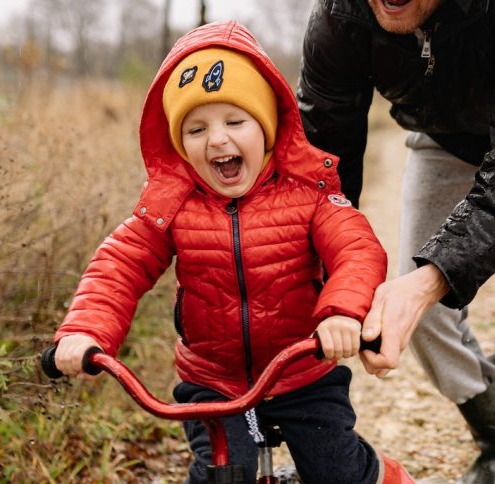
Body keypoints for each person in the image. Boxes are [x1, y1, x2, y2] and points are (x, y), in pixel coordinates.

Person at [51, 21, 414, 484]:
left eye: (235, 121)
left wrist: (342, 313)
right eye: (196, 128)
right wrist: (85, 330)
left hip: (302, 369)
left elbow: (357, 249)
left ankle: (387, 477)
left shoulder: (308, 194)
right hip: (213, 380)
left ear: (266, 127)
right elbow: (118, 266)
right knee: (224, 475)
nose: (217, 139)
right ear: (180, 143)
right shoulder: (172, 204)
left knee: (337, 473)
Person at [297, 1, 495, 482]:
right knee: (415, 297)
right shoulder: (339, 15)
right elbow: (325, 170)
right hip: (446, 132)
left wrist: (431, 280)